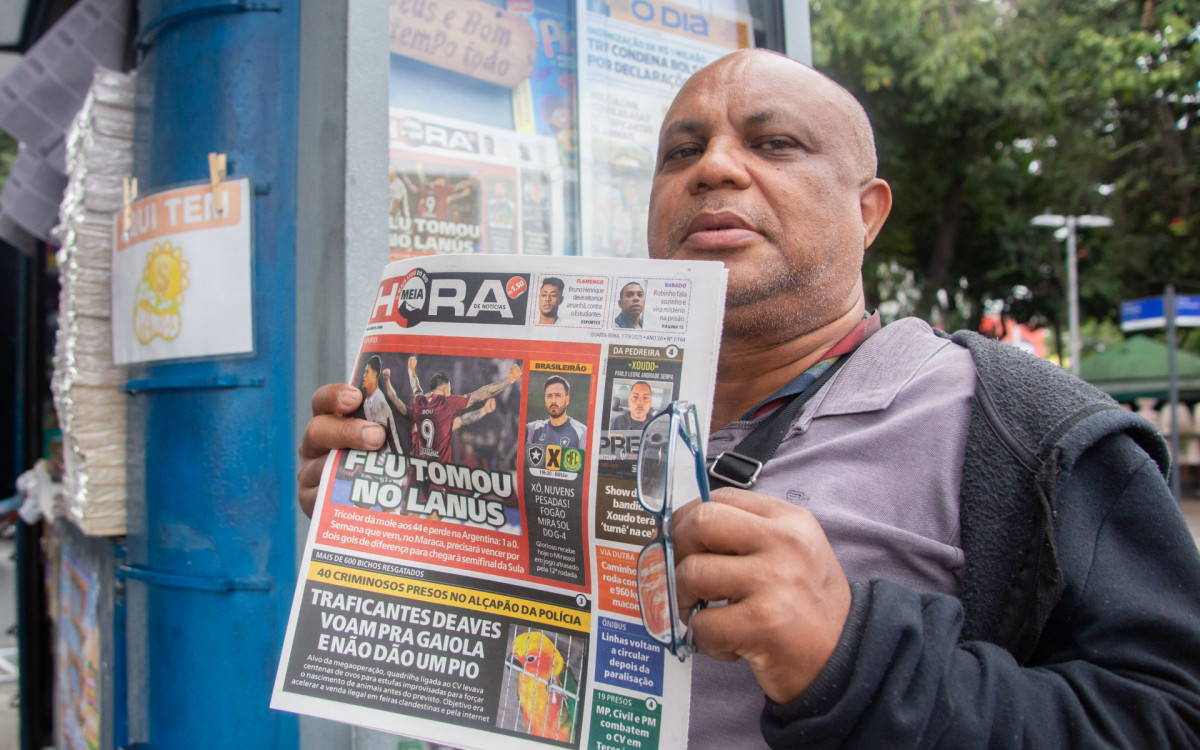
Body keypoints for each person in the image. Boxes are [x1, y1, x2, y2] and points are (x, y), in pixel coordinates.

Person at [299, 49, 1200, 748]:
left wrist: (852, 656)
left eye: (775, 144)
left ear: (869, 211)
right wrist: (380, 520)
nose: (714, 169)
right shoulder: (558, 402)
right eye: (681, 152)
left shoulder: (1027, 431)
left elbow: (1168, 718)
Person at [408, 358, 522, 463]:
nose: (449, 394)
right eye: (447, 392)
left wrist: (483, 411)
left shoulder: (421, 402)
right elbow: (481, 394)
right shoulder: (446, 406)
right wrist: (508, 380)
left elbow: (415, 385)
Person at [525, 376, 587, 449]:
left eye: (558, 395)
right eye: (549, 396)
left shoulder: (582, 432)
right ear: (545, 399)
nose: (553, 400)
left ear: (567, 399)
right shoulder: (532, 429)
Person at [358, 355, 404, 453]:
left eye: (367, 372)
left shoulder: (379, 400)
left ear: (374, 375)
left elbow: (379, 438)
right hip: (380, 455)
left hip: (392, 455)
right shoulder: (366, 401)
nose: (363, 375)